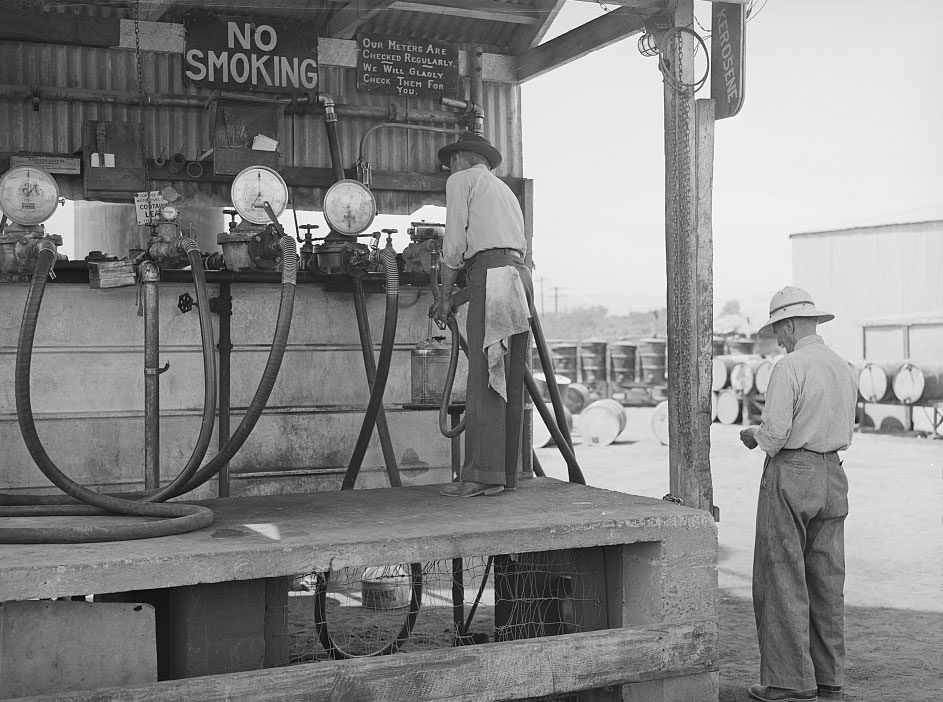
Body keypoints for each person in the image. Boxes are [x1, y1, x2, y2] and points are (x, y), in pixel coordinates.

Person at [739, 286, 858, 702]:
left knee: (781, 576)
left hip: (793, 472)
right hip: (832, 473)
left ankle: (788, 682)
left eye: (778, 331)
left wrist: (752, 435)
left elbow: (774, 435)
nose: (778, 339)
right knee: (827, 581)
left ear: (789, 324)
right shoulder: (844, 367)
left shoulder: (790, 366)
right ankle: (829, 680)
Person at [431, 131, 533, 498]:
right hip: (518, 279)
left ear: (462, 159)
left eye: (450, 162)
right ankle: (506, 473)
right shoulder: (504, 191)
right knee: (509, 376)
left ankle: (478, 476)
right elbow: (499, 255)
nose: (449, 168)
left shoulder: (462, 179)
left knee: (486, 378)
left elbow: (455, 246)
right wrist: (458, 298)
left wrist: (444, 295)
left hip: (493, 277)